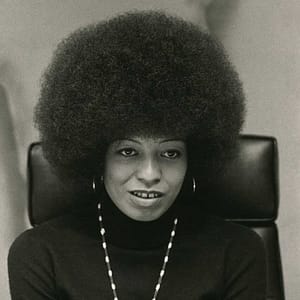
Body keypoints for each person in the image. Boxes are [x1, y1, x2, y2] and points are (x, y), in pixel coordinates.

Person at [8, 11, 266, 300]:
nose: (150, 173)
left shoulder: (238, 253)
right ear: (96, 157)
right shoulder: (40, 255)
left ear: (193, 156)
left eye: (170, 153)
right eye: (128, 151)